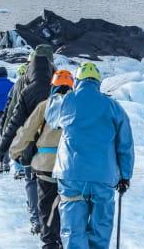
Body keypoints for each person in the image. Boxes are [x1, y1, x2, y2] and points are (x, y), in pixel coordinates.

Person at [45, 62, 134, 249]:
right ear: (98, 82)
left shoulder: (68, 101)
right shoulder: (114, 107)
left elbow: (51, 118)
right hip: (104, 177)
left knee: (73, 230)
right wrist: (125, 176)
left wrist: (57, 94)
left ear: (77, 81)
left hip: (71, 176)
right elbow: (125, 145)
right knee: (100, 230)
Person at [0, 44, 56, 234]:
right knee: (52, 185)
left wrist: (3, 149)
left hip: (28, 143)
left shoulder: (24, 85)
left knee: (31, 180)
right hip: (56, 148)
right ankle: (53, 225)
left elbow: (13, 115)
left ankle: (36, 219)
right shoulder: (59, 85)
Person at [10, 70, 74, 248]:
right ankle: (66, 238)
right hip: (71, 165)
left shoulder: (45, 106)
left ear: (53, 86)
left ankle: (50, 242)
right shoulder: (78, 108)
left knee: (46, 206)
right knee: (69, 204)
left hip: (46, 166)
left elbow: (27, 130)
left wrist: (15, 152)